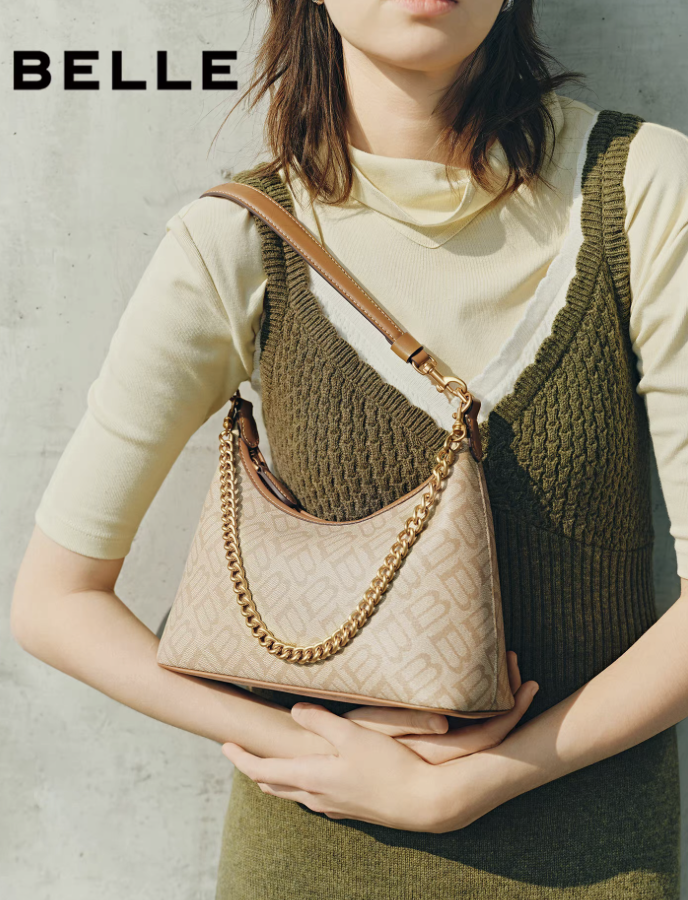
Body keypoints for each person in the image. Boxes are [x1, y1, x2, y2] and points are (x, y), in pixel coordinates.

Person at [11, 0, 688, 897]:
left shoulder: (640, 187)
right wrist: (312, 746)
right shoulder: (237, 237)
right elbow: (54, 602)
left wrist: (467, 786)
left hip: (596, 860)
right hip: (312, 850)